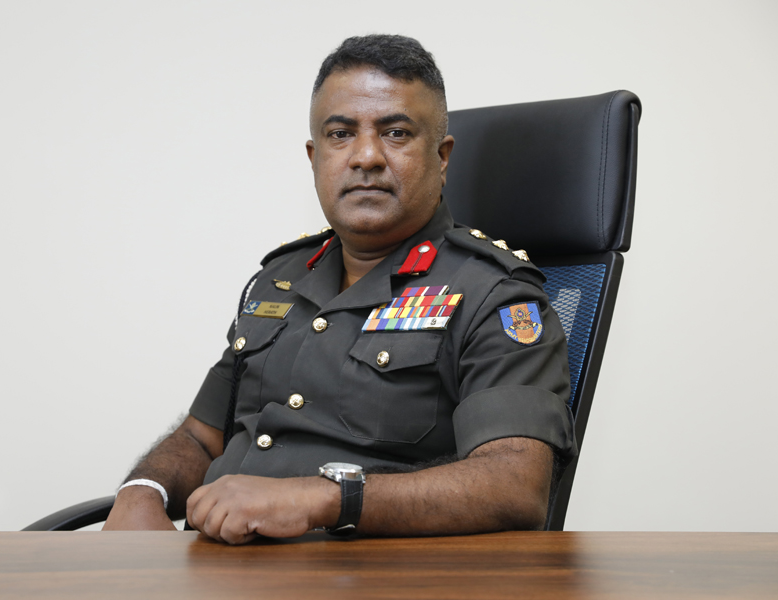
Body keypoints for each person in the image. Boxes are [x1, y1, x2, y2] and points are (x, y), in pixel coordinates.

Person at [103, 34, 577, 544]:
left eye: (395, 133)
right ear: (314, 157)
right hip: (220, 570)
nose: (366, 156)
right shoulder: (279, 280)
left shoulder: (492, 294)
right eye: (340, 134)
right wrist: (142, 490)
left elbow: (514, 485)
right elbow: (201, 436)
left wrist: (325, 497)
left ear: (442, 157)